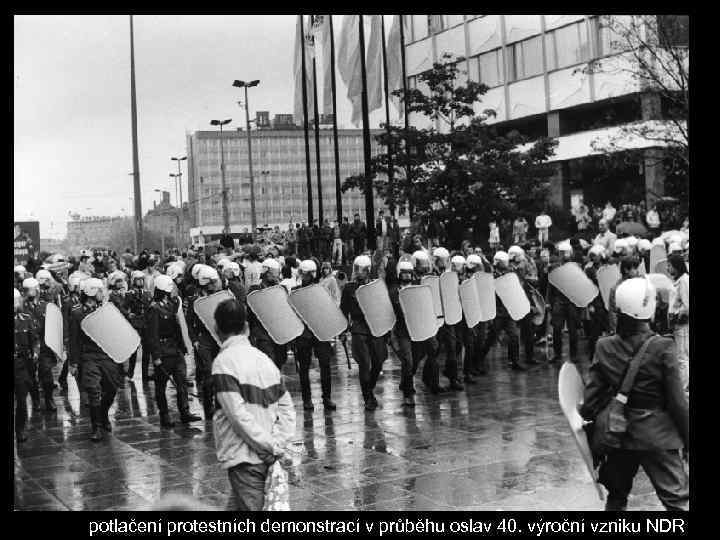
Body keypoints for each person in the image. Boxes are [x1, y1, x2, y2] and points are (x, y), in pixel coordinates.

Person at [580, 278, 689, 511]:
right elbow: (677, 402)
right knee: (677, 501)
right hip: (657, 435)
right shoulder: (663, 346)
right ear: (649, 307)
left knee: (617, 497)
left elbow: (590, 401)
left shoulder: (604, 345)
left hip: (618, 436)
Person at [210, 298, 296, 511]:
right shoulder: (264, 360)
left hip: (245, 459)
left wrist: (269, 446)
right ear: (246, 328)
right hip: (266, 454)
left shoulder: (224, 363)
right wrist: (277, 443)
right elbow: (287, 409)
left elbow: (238, 417)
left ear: (217, 329)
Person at [68, 278, 123, 442]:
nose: (102, 293)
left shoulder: (106, 309)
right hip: (89, 356)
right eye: (99, 290)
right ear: (92, 292)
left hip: (106, 354)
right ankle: (96, 426)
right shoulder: (77, 312)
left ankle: (103, 412)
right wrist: (73, 363)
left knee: (112, 389)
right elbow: (74, 340)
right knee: (93, 391)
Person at [147, 275, 201, 428]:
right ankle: (164, 416)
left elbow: (179, 326)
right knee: (161, 386)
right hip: (163, 352)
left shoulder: (173, 303)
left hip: (175, 349)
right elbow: (152, 335)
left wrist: (184, 346)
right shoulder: (154, 308)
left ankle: (185, 412)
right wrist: (156, 356)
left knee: (182, 382)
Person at [341, 255, 387, 410]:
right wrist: (342, 329)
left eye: (359, 269)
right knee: (364, 364)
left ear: (367, 270)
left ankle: (369, 389)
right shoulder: (349, 288)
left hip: (375, 327)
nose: (356, 272)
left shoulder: (375, 286)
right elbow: (343, 310)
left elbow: (383, 307)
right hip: (359, 328)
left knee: (378, 362)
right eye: (356, 268)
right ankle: (368, 397)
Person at [293, 260, 337, 411]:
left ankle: (327, 398)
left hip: (320, 331)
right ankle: (307, 399)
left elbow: (328, 309)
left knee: (325, 365)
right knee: (304, 368)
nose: (303, 276)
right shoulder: (295, 291)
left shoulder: (321, 290)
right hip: (303, 333)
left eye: (306, 274)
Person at [246, 258, 288, 370]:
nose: (276, 275)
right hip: (262, 332)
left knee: (280, 360)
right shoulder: (255, 290)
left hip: (279, 332)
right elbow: (251, 313)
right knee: (269, 363)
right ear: (267, 273)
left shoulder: (281, 288)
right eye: (274, 272)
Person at [22, 277, 56, 411]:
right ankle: (35, 400)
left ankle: (49, 398)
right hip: (28, 346)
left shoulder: (45, 306)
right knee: (30, 377)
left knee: (47, 375)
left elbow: (53, 325)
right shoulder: (21, 307)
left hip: (44, 346)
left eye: (30, 289)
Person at [547, 242, 581, 364]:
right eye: (562, 253)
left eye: (566, 253)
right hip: (559, 301)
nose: (564, 255)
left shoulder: (576, 267)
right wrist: (548, 302)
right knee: (557, 329)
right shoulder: (554, 267)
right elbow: (550, 286)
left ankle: (574, 354)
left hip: (571, 302)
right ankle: (557, 354)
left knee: (573, 330)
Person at [14, 288, 38, 443]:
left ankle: (20, 428)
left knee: (22, 399)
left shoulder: (26, 318)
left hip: (21, 364)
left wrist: (35, 352)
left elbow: (34, 339)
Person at [667, 254, 689, 394]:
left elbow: (687, 306)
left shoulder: (684, 281)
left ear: (676, 266)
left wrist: (676, 315)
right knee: (681, 356)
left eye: (669, 265)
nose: (668, 268)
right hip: (677, 325)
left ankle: (683, 389)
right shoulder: (679, 280)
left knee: (683, 357)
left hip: (682, 325)